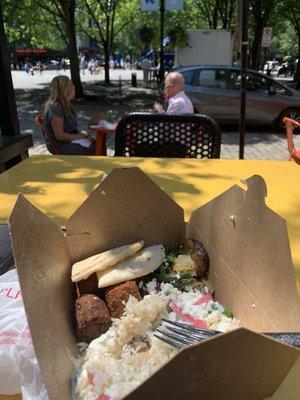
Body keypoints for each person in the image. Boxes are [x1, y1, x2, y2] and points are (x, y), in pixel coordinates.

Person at [44, 76, 95, 155]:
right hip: (59, 145)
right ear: (64, 89)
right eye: (71, 85)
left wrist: (84, 135)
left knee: (96, 143)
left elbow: (72, 130)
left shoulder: (66, 105)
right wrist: (80, 136)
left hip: (69, 141)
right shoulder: (56, 107)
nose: (74, 87)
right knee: (93, 148)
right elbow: (60, 136)